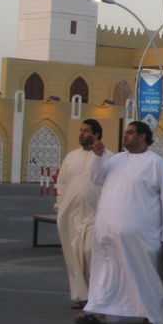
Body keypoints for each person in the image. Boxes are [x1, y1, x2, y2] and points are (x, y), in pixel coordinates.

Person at [75, 121, 163, 324]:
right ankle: (99, 312)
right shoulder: (116, 159)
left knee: (144, 276)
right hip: (108, 232)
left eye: (130, 133)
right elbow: (95, 178)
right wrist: (97, 156)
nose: (126, 136)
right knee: (107, 273)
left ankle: (151, 313)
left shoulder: (156, 163)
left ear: (143, 137)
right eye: (126, 132)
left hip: (142, 236)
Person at [56, 119, 113, 309]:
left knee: (90, 251)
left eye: (86, 131)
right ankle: (81, 296)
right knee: (73, 255)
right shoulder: (71, 157)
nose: (81, 133)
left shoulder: (108, 157)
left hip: (95, 214)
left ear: (96, 134)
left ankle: (97, 293)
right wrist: (59, 201)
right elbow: (62, 182)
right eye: (80, 130)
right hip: (70, 214)